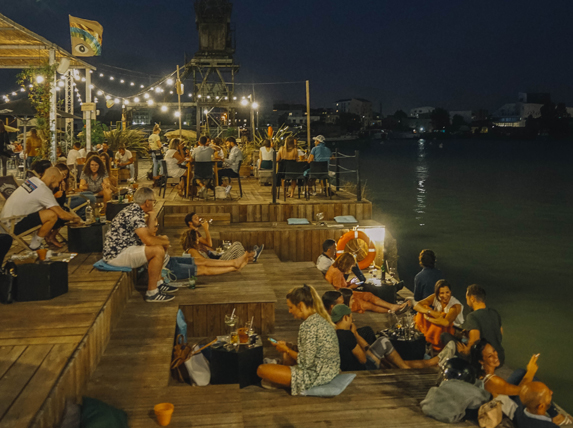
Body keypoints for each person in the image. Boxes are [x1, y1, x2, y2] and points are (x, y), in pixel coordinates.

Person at [257, 284, 340, 395]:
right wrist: (289, 347)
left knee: (262, 369)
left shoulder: (308, 326)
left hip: (317, 377)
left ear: (300, 305)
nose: (289, 311)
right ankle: (280, 378)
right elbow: (311, 352)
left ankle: (282, 381)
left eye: (291, 307)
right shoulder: (320, 320)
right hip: (330, 372)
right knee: (286, 357)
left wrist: (287, 349)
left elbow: (306, 363)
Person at [471, 340, 569, 425]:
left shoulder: (482, 376)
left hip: (506, 402)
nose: (495, 356)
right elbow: (523, 392)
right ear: (481, 361)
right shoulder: (493, 381)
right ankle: (555, 416)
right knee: (532, 383)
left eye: (494, 351)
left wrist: (528, 372)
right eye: (489, 356)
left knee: (520, 372)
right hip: (517, 417)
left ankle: (552, 413)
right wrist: (531, 371)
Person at [331, 304, 439, 371]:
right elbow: (363, 360)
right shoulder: (347, 335)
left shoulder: (333, 333)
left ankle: (424, 364)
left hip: (347, 368)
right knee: (384, 342)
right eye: (350, 317)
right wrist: (356, 336)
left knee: (389, 360)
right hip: (361, 370)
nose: (352, 320)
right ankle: (407, 369)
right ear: (345, 317)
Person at [0, 167, 81, 249]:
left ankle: (39, 240)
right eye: (58, 182)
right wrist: (75, 218)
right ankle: (35, 245)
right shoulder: (43, 190)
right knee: (52, 215)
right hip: (12, 227)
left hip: (4, 223)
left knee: (48, 210)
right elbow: (62, 215)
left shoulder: (33, 180)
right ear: (53, 178)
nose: (57, 185)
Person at [325, 253, 405, 313]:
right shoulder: (337, 273)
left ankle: (392, 307)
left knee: (368, 294)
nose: (351, 268)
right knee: (367, 304)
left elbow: (340, 286)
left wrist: (349, 283)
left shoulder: (335, 268)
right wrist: (352, 287)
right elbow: (340, 293)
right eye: (351, 266)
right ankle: (392, 310)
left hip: (346, 294)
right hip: (345, 298)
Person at [454, 284, 505, 365]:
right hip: (500, 356)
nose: (466, 300)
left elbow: (475, 339)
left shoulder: (472, 316)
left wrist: (466, 351)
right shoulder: (494, 312)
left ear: (472, 299)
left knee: (448, 338)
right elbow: (500, 332)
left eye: (467, 298)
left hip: (485, 359)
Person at [183, 212, 262, 261]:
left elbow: (206, 246)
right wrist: (206, 229)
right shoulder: (192, 234)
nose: (199, 219)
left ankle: (253, 256)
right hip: (215, 262)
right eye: (196, 219)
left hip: (212, 256)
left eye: (198, 217)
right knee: (237, 245)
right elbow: (209, 244)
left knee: (236, 249)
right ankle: (253, 254)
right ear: (190, 223)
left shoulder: (195, 233)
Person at [414, 279, 464, 351]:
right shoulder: (435, 297)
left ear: (450, 292)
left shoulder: (455, 305)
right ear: (437, 293)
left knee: (440, 319)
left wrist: (428, 318)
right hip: (439, 325)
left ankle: (432, 344)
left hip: (453, 330)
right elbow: (416, 305)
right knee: (423, 309)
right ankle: (420, 338)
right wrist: (429, 312)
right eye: (442, 293)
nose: (445, 296)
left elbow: (446, 322)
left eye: (447, 292)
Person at [181, 229, 251, 274]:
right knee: (237, 245)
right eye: (197, 237)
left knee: (237, 245)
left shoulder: (195, 248)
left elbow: (210, 253)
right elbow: (204, 261)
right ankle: (243, 261)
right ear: (192, 239)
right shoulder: (191, 250)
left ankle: (243, 261)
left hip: (216, 261)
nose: (198, 239)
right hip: (216, 264)